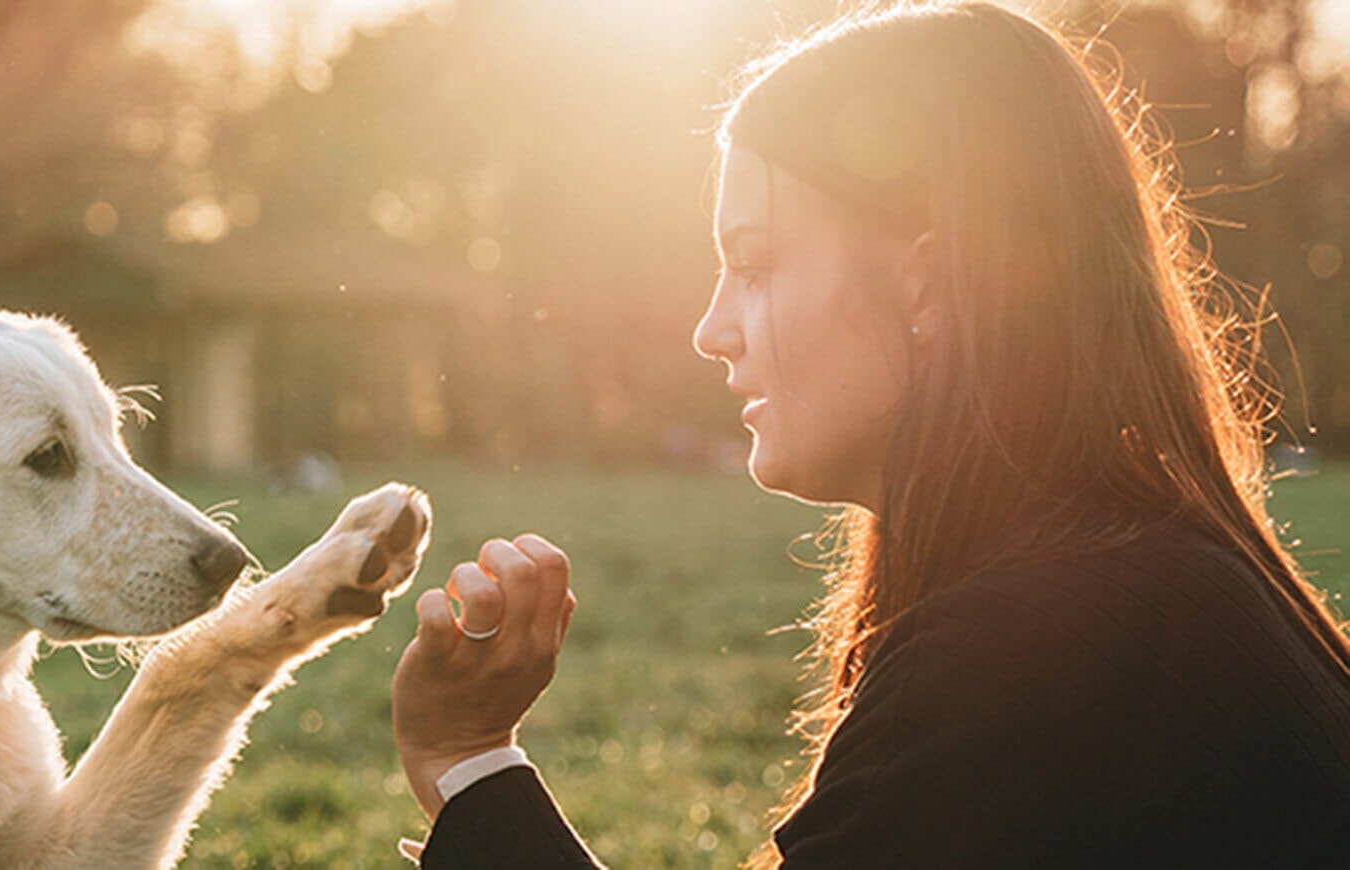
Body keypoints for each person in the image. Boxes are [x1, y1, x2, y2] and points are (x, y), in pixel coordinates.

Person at [389, 2, 1350, 867]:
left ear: (924, 284)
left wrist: (466, 756)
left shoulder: (1018, 652)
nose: (711, 329)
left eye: (755, 265)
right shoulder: (1156, 583)